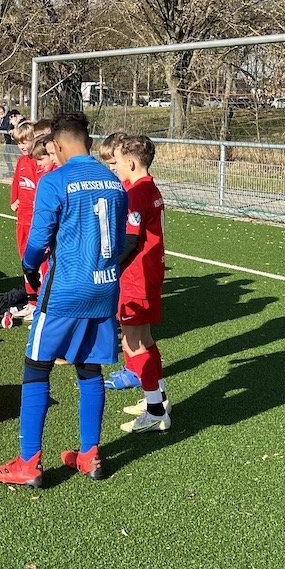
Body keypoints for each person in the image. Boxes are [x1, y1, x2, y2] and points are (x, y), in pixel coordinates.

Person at [0, 112, 128, 488]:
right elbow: (121, 241)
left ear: (58, 145)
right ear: (88, 142)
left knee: (36, 367)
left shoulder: (55, 181)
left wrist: (29, 268)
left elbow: (37, 243)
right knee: (90, 367)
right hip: (105, 287)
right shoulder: (114, 181)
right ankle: (90, 455)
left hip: (65, 289)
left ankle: (28, 461)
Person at [111, 135, 170, 433]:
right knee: (144, 339)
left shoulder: (136, 193)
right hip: (149, 272)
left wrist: (108, 265)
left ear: (131, 163)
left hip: (136, 276)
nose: (115, 167)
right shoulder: (150, 188)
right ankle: (158, 399)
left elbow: (131, 240)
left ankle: (156, 411)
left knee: (132, 342)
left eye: (118, 162)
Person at [9, 121, 41, 322]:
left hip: (36, 222)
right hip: (22, 219)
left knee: (38, 263)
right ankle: (31, 302)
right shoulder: (21, 161)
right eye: (19, 142)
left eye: (25, 141)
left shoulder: (39, 162)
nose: (22, 146)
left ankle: (40, 303)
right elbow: (16, 182)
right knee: (25, 262)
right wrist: (14, 200)